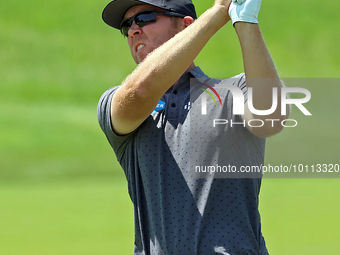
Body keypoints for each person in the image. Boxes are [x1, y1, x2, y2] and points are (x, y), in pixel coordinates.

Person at [97, 0, 289, 254]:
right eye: (126, 25)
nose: (133, 30)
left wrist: (246, 22)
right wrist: (218, 12)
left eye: (144, 18)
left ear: (186, 26)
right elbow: (141, 91)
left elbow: (271, 118)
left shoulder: (233, 93)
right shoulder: (117, 101)